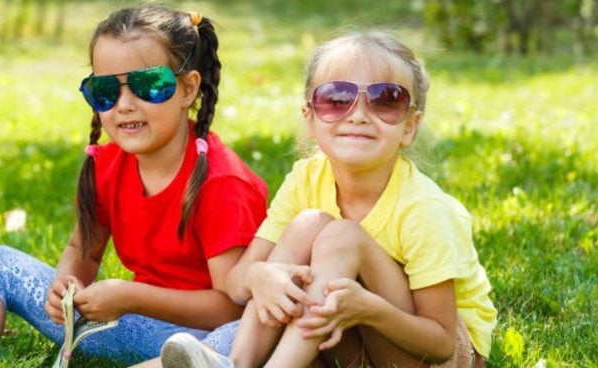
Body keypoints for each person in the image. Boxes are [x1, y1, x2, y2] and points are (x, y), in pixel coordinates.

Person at [155, 30, 498, 368]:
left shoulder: (424, 209)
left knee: (342, 236)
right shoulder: (307, 178)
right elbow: (236, 281)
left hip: (437, 355)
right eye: (336, 98)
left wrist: (370, 309)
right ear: (311, 121)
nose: (359, 114)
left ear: (410, 126)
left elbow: (439, 344)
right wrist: (260, 275)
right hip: (350, 339)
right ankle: (235, 363)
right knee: (309, 224)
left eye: (386, 99)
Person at [0, 5, 268, 367]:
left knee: (236, 337)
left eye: (148, 85)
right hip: (123, 322)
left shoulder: (222, 183)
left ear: (187, 89)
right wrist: (66, 285)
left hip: (201, 335)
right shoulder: (107, 165)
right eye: (105, 90)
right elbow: (82, 249)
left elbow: (230, 305)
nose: (124, 105)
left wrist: (132, 297)